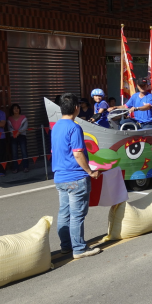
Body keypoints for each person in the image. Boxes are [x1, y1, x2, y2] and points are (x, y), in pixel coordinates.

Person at [51, 93, 101, 259]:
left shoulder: (56, 126)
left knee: (64, 213)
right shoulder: (74, 127)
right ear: (76, 108)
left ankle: (66, 246)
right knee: (77, 215)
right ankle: (79, 248)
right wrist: (90, 171)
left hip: (60, 176)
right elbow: (78, 153)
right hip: (76, 176)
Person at [7, 103, 29, 174]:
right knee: (14, 153)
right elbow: (9, 128)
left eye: (17, 108)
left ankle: (26, 167)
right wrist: (14, 133)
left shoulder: (23, 117)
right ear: (12, 110)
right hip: (13, 136)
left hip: (22, 135)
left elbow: (25, 127)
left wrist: (18, 132)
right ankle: (15, 168)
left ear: (19, 109)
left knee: (24, 152)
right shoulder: (9, 118)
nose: (16, 110)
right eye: (14, 108)